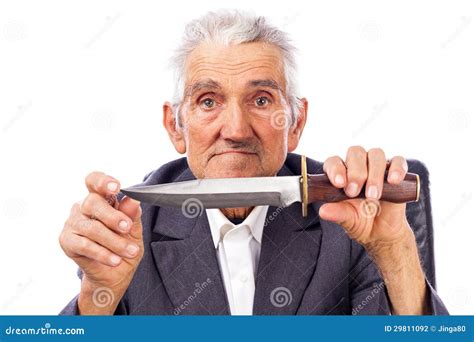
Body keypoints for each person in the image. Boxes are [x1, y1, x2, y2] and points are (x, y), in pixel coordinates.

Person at [59, 10, 448, 315]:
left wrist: (394, 250)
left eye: (261, 100)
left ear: (295, 123)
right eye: (208, 101)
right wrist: (97, 297)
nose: (236, 129)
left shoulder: (348, 212)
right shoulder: (129, 229)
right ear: (175, 127)